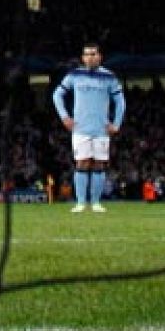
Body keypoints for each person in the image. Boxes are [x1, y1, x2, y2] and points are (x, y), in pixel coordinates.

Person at [52, 43, 127, 214]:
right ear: (83, 58)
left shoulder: (109, 76)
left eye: (93, 54)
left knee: (99, 164)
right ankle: (80, 203)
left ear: (99, 56)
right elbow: (57, 94)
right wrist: (64, 117)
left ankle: (95, 203)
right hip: (81, 129)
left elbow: (120, 101)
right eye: (87, 54)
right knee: (82, 163)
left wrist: (116, 123)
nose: (90, 57)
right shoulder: (74, 74)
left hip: (101, 129)